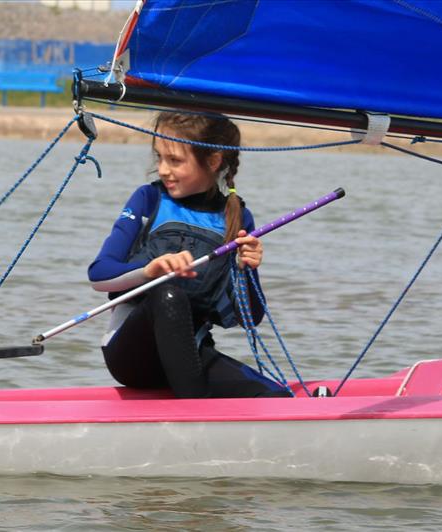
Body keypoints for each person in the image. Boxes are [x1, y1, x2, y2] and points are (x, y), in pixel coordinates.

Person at [87, 111, 290, 399]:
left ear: (213, 161)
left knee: (277, 398)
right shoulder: (149, 199)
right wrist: (150, 270)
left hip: (192, 355)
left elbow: (249, 318)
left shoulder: (238, 217)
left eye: (175, 160)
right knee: (168, 294)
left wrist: (248, 268)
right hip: (132, 355)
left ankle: (196, 409)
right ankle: (193, 418)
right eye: (159, 158)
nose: (163, 170)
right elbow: (99, 275)